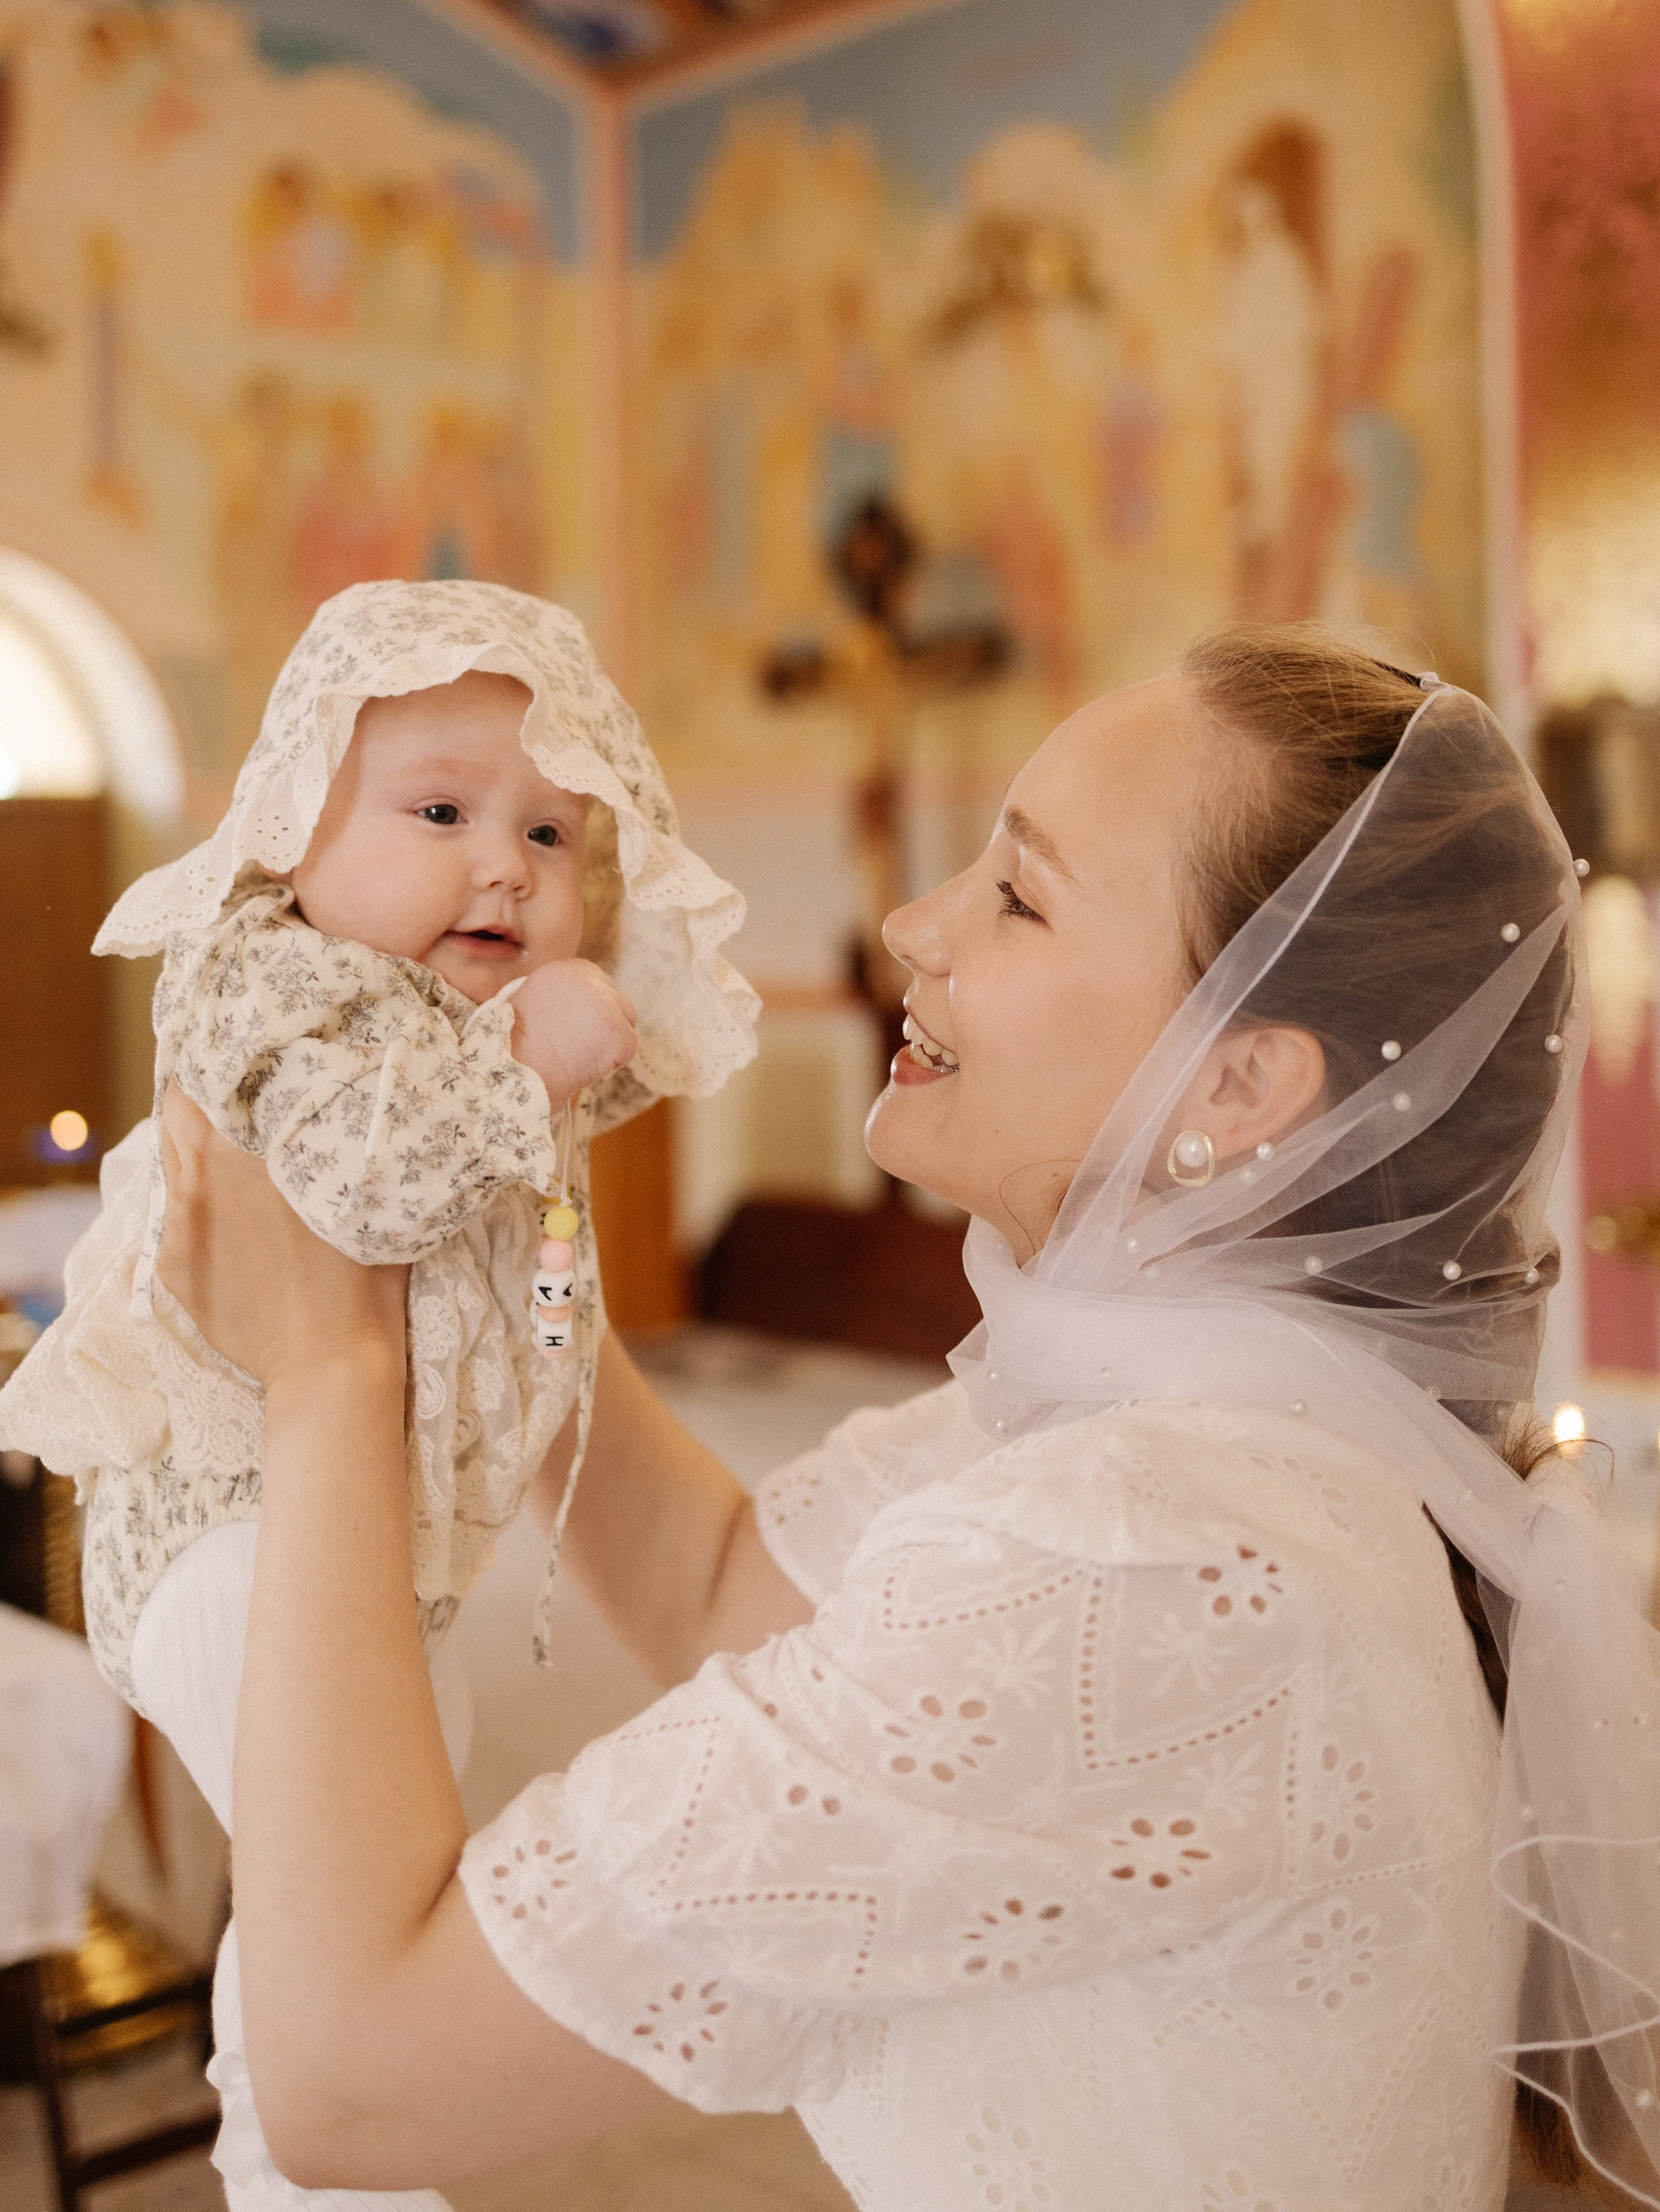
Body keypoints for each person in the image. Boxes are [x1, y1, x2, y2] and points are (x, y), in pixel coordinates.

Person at [156, 627, 1660, 2211]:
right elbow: (712, 1581)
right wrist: (480, 1194)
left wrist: (333, 1376)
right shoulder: (1185, 1423)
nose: (907, 925)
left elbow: (355, 2079)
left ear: (1238, 1089)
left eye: (1014, 894)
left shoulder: (1135, 1563)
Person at [0, 577, 757, 2211]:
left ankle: (297, 2149)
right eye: (440, 811)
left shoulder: (441, 1007)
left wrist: (567, 1024)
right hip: (228, 1547)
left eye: (554, 837)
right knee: (368, 1905)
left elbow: (596, 1069)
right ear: (286, 836)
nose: (505, 861)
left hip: (360, 1550)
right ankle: (335, 2176)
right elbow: (360, 1191)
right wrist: (532, 1057)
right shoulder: (268, 986)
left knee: (329, 1913)